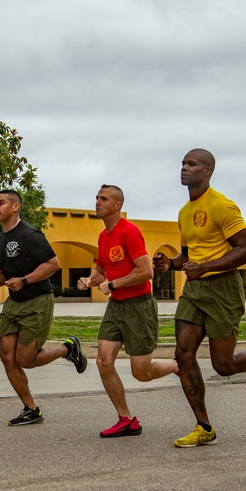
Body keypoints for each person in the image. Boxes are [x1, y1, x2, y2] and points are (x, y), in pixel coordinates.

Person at [153, 149, 246, 448]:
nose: (184, 168)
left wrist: (205, 267)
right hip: (195, 291)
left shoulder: (222, 206)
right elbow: (188, 255)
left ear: (207, 171)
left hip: (223, 289)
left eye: (191, 164)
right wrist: (171, 264)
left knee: (223, 365)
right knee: (183, 354)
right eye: (182, 163)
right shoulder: (184, 212)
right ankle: (204, 426)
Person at [0, 189, 88, 426]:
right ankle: (31, 409)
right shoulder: (0, 239)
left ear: (15, 207)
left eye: (1, 203)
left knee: (25, 359)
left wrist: (25, 280)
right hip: (13, 303)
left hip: (37, 301)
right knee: (7, 356)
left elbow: (53, 264)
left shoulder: (30, 235)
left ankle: (68, 348)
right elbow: (3, 273)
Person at [76, 184, 179, 438]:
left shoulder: (129, 232)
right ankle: (125, 419)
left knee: (141, 373)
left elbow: (146, 271)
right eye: (97, 198)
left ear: (117, 205)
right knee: (103, 361)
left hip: (139, 306)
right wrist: (89, 280)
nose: (97, 202)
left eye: (103, 199)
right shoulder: (103, 236)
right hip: (116, 307)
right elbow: (101, 269)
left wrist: (113, 284)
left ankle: (178, 365)